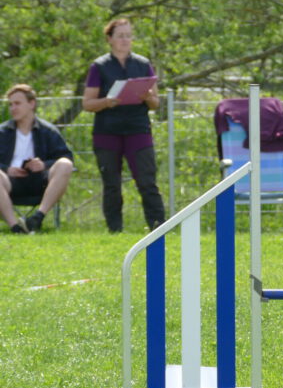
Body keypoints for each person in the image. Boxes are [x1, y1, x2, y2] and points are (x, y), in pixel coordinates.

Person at [82, 17, 165, 232]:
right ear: (109, 39)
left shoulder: (143, 64)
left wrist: (148, 96)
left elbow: (156, 103)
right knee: (112, 184)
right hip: (107, 131)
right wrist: (106, 102)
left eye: (128, 35)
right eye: (120, 36)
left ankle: (158, 228)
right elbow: (87, 103)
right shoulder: (99, 67)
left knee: (147, 181)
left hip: (138, 129)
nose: (125, 40)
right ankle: (115, 230)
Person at [0, 84, 74, 234]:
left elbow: (66, 156)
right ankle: (15, 227)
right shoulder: (2, 132)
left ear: (31, 104)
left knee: (65, 164)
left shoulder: (48, 131)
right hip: (9, 182)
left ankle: (37, 219)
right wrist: (7, 169)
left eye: (17, 103)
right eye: (10, 104)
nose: (13, 108)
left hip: (41, 182)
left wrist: (43, 165)